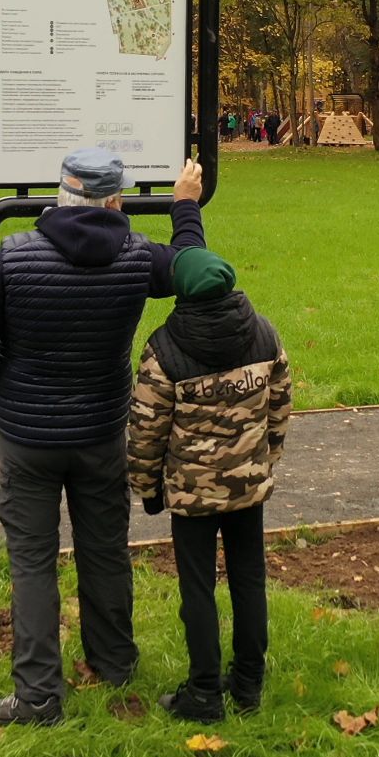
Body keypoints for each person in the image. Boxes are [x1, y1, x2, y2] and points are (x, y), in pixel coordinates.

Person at [0, 148, 208, 727]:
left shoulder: (15, 257)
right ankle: (114, 661)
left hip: (25, 435)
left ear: (60, 195)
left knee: (33, 560)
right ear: (115, 200)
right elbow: (194, 268)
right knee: (104, 548)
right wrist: (185, 207)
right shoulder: (138, 257)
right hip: (100, 433)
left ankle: (40, 695)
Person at [127, 248, 291, 723]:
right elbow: (279, 410)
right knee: (249, 580)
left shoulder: (164, 350)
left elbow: (145, 431)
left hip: (191, 495)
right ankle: (247, 684)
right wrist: (265, 462)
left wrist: (149, 490)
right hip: (248, 490)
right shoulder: (265, 335)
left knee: (196, 589)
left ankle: (203, 692)